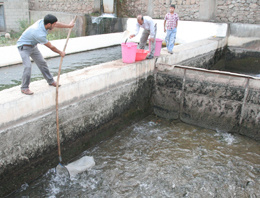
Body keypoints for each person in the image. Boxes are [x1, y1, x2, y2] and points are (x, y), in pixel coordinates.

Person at [17, 14, 75, 95]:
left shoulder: (43, 22)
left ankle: (50, 81)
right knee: (28, 66)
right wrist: (60, 52)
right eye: (53, 25)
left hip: (33, 46)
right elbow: (51, 46)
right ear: (48, 24)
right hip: (24, 47)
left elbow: (57, 23)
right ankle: (24, 88)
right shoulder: (38, 33)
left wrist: (68, 26)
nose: (55, 26)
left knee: (42, 63)